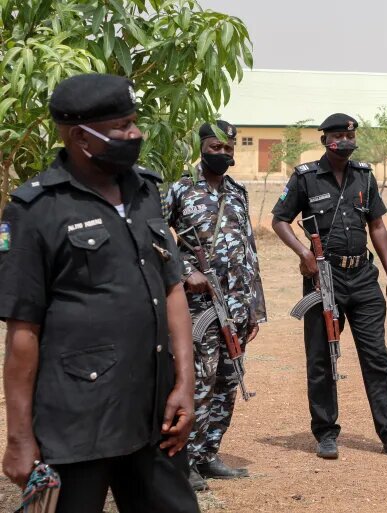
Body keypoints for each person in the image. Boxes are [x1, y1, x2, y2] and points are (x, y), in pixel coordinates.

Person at [0, 73, 199, 513]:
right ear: (79, 138)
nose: (136, 135)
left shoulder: (145, 190)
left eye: (134, 122)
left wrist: (184, 383)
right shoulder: (34, 210)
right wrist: (19, 437)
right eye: (121, 128)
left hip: (155, 416)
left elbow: (173, 291)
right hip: (76, 423)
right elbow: (23, 331)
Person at [271, 113, 387, 460]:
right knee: (321, 358)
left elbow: (376, 225)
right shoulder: (305, 177)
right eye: (337, 135)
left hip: (363, 277)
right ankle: (325, 433)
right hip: (324, 277)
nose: (345, 140)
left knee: (376, 357)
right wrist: (304, 253)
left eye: (350, 135)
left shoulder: (364, 175)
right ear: (324, 140)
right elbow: (279, 220)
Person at [166, 120, 267, 489]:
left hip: (236, 306)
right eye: (215, 147)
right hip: (198, 308)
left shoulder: (237, 192)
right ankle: (185, 459)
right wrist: (184, 270)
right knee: (200, 381)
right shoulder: (180, 190)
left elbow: (248, 251)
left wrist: (255, 306)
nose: (222, 154)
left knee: (227, 380)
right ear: (201, 146)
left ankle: (209, 454)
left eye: (228, 149)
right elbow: (155, 239)